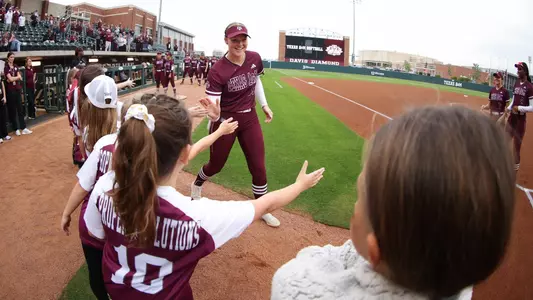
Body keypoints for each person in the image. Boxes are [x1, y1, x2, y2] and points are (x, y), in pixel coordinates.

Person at [83, 94, 324, 299]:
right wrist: (300, 185)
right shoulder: (196, 217)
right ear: (185, 155)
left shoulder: (105, 186)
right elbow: (264, 204)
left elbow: (95, 234)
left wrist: (218, 132)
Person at [272, 106, 515, 300]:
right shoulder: (458, 274)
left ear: (375, 251)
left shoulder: (295, 288)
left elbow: (310, 261)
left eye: (360, 197)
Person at [192, 22, 279, 227]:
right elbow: (214, 108)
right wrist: (214, 117)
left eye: (243, 39)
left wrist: (264, 105)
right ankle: (197, 184)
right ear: (226, 41)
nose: (240, 44)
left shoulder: (254, 58)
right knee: (216, 165)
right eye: (235, 40)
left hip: (249, 118)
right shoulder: (217, 70)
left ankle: (263, 207)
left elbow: (256, 80)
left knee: (258, 166)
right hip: (226, 121)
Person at [501, 62, 533, 172]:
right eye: (517, 69)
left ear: (525, 71)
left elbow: (532, 107)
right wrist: (509, 108)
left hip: (520, 120)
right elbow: (514, 100)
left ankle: (514, 171)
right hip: (512, 118)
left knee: (516, 148)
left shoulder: (530, 87)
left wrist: (519, 108)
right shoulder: (517, 83)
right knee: (504, 140)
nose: (517, 71)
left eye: (520, 69)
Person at [4, 52, 32, 136]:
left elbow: (19, 77)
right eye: (11, 57)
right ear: (8, 58)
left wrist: (13, 78)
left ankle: (23, 128)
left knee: (20, 109)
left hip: (17, 90)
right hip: (10, 91)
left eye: (13, 57)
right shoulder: (6, 68)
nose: (12, 59)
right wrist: (14, 78)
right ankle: (16, 129)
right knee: (13, 110)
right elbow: (10, 79)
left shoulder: (16, 66)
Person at [0, 67, 10, 144]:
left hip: (2, 99)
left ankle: (5, 134)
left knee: (3, 117)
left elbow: (2, 84)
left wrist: (5, 96)